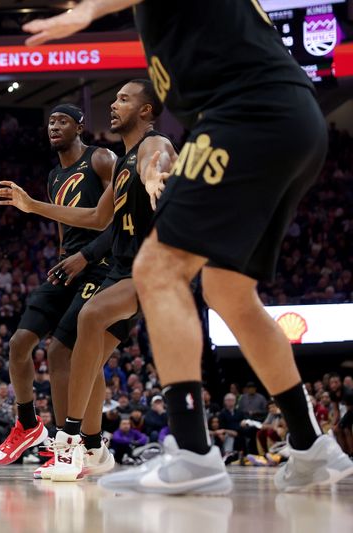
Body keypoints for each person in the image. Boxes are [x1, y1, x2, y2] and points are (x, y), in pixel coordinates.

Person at [23, 0, 353, 493]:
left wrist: (87, 12)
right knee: (227, 290)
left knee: (157, 269)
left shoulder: (150, 134)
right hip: (292, 122)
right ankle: (311, 447)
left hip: (247, 116)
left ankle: (193, 452)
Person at [0, 79, 175, 482]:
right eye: (113, 97)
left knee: (87, 321)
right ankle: (92, 449)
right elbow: (96, 217)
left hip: (152, 266)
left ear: (146, 111)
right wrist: (32, 205)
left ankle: (71, 442)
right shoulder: (126, 156)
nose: (113, 104)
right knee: (78, 352)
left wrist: (154, 176)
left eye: (124, 99)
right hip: (122, 268)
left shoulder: (149, 147)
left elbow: (159, 158)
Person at [0, 104, 117, 480]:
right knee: (19, 344)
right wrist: (66, 256)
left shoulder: (102, 158)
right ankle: (28, 424)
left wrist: (85, 256)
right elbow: (64, 226)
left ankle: (72, 444)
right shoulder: (54, 175)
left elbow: (116, 219)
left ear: (80, 125)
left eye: (62, 121)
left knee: (63, 350)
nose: (54, 127)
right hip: (69, 263)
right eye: (50, 122)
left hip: (102, 264)